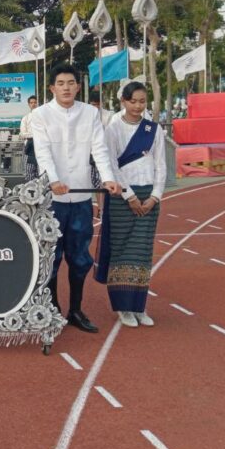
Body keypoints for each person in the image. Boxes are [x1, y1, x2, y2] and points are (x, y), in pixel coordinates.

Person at [30, 63, 121, 333]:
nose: (66, 88)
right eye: (61, 83)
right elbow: (42, 152)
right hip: (53, 200)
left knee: (80, 258)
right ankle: (52, 308)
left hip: (81, 196)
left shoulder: (90, 113)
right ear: (52, 88)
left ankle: (76, 310)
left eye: (71, 83)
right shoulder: (40, 114)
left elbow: (99, 148)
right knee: (51, 257)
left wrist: (107, 178)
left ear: (78, 87)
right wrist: (52, 180)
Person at [95, 82, 166, 328]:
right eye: (133, 101)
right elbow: (111, 166)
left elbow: (161, 165)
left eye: (142, 101)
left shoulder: (154, 129)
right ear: (123, 101)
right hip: (122, 197)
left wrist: (155, 196)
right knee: (122, 250)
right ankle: (123, 307)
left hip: (149, 197)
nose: (137, 106)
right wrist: (130, 196)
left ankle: (139, 306)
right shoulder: (112, 129)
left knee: (142, 253)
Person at [20, 95, 39, 180]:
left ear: (38, 103)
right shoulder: (25, 118)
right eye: (31, 103)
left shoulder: (43, 117)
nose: (33, 104)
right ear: (29, 104)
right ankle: (30, 186)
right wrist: (36, 135)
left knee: (41, 171)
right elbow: (23, 134)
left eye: (35, 102)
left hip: (41, 145)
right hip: (29, 146)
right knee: (29, 170)